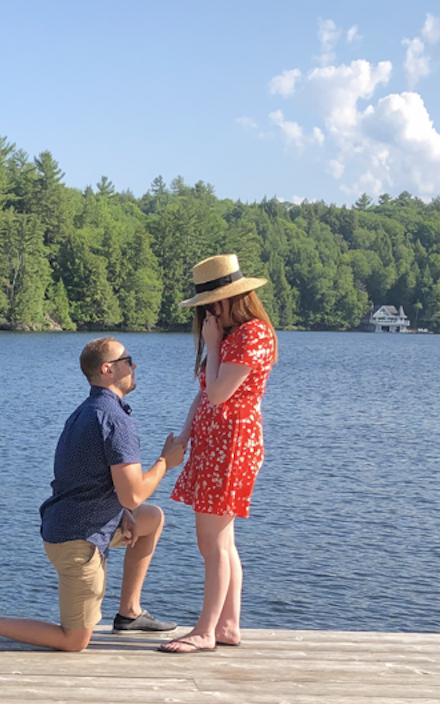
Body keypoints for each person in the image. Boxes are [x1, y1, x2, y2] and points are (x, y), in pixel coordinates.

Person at [0, 337, 186, 652]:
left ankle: (129, 613)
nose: (134, 366)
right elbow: (133, 494)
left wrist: (123, 513)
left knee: (151, 518)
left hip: (70, 525)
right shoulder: (116, 422)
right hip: (79, 542)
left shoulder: (87, 412)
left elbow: (86, 479)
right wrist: (166, 462)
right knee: (74, 641)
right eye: (127, 360)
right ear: (108, 369)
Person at [159, 254, 278, 653]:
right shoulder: (231, 335)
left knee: (212, 541)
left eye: (216, 302)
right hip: (215, 444)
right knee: (220, 541)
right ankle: (227, 625)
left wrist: (211, 345)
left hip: (233, 445)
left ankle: (206, 630)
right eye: (206, 305)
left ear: (237, 297)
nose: (210, 311)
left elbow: (218, 393)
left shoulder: (252, 334)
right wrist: (187, 435)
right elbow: (203, 395)